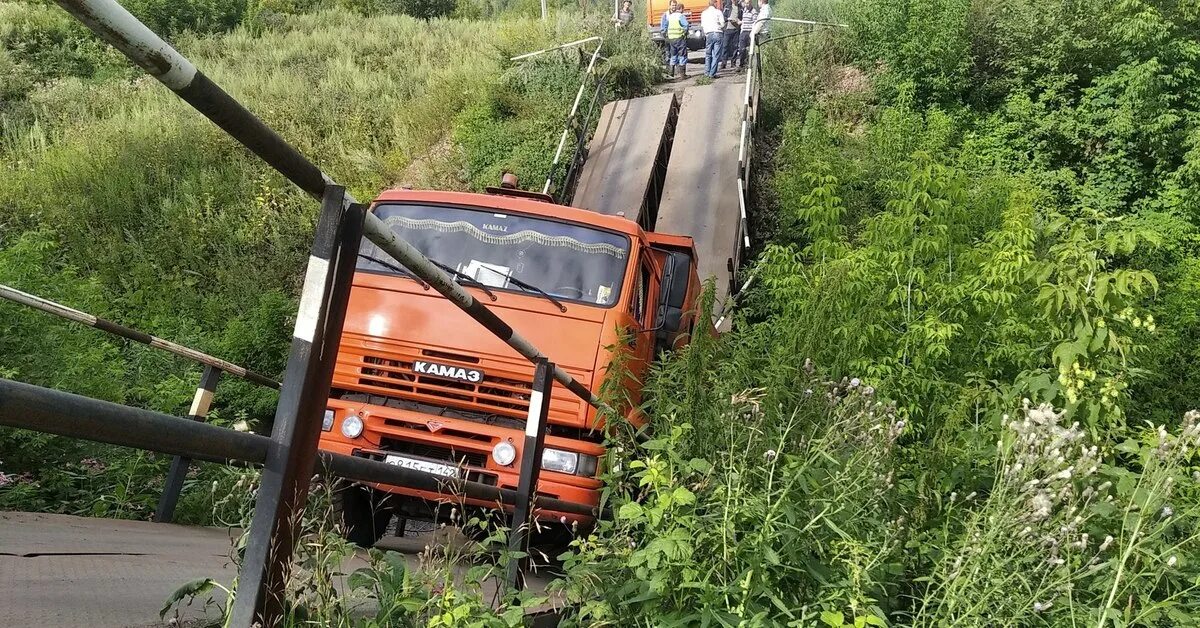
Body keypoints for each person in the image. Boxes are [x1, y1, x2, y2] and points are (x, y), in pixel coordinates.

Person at [661, 1, 689, 78]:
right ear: (680, 9)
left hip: (671, 39)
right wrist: (685, 33)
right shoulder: (680, 16)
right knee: (682, 55)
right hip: (680, 38)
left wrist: (667, 35)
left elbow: (664, 27)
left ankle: (671, 73)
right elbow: (686, 25)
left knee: (673, 55)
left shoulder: (670, 16)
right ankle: (682, 74)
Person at [700, 0, 725, 78]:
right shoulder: (718, 12)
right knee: (716, 55)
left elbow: (703, 25)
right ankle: (712, 73)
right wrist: (719, 27)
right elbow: (723, 24)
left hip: (709, 34)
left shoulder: (704, 13)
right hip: (717, 33)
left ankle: (706, 73)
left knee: (708, 54)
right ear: (714, 3)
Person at [720, 0, 742, 70]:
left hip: (736, 29)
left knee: (735, 47)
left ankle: (733, 63)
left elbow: (742, 17)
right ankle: (724, 63)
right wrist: (728, 19)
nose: (734, 1)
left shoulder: (740, 8)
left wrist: (739, 21)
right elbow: (723, 17)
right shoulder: (727, 7)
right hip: (728, 29)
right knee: (725, 46)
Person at [737, 0, 755, 69]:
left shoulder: (753, 12)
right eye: (745, 3)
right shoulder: (744, 10)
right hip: (743, 32)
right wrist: (741, 22)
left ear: (750, 3)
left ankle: (749, 65)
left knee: (749, 50)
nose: (746, 4)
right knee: (742, 49)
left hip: (749, 32)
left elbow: (755, 22)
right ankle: (742, 65)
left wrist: (752, 32)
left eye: (747, 3)